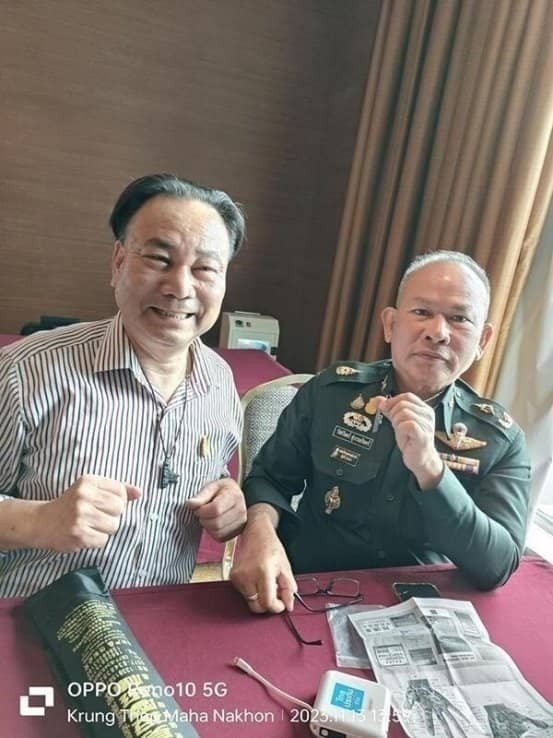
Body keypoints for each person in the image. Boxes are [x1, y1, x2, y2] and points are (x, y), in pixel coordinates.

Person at [231, 251, 531, 613]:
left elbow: (497, 567)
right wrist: (260, 531)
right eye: (421, 312)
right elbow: (270, 479)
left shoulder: (499, 439)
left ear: (483, 340)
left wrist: (432, 471)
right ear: (390, 324)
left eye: (459, 318)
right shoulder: (330, 393)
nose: (437, 332)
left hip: (420, 611)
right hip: (309, 595)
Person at [0, 173, 247, 597]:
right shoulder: (26, 372)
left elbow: (212, 469)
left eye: (205, 268)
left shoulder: (220, 382)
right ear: (118, 262)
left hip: (159, 620)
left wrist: (227, 497)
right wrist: (40, 520)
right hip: (35, 618)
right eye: (159, 259)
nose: (180, 287)